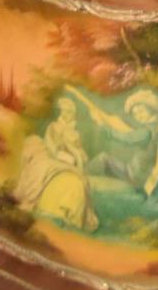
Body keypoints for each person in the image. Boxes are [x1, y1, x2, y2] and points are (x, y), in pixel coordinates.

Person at [67, 84, 158, 216]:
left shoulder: (149, 131)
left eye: (141, 111)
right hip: (145, 174)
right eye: (135, 113)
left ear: (152, 110)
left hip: (137, 176)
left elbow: (129, 137)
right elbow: (131, 133)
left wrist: (104, 128)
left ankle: (76, 176)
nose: (138, 116)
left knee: (104, 158)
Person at [12, 96, 99, 231]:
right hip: (56, 157)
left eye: (70, 112)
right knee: (44, 170)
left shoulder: (75, 132)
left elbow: (80, 149)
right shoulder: (54, 127)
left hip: (72, 161)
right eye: (64, 112)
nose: (67, 115)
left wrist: (78, 156)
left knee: (78, 181)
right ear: (61, 113)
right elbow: (51, 146)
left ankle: (69, 214)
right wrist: (62, 156)